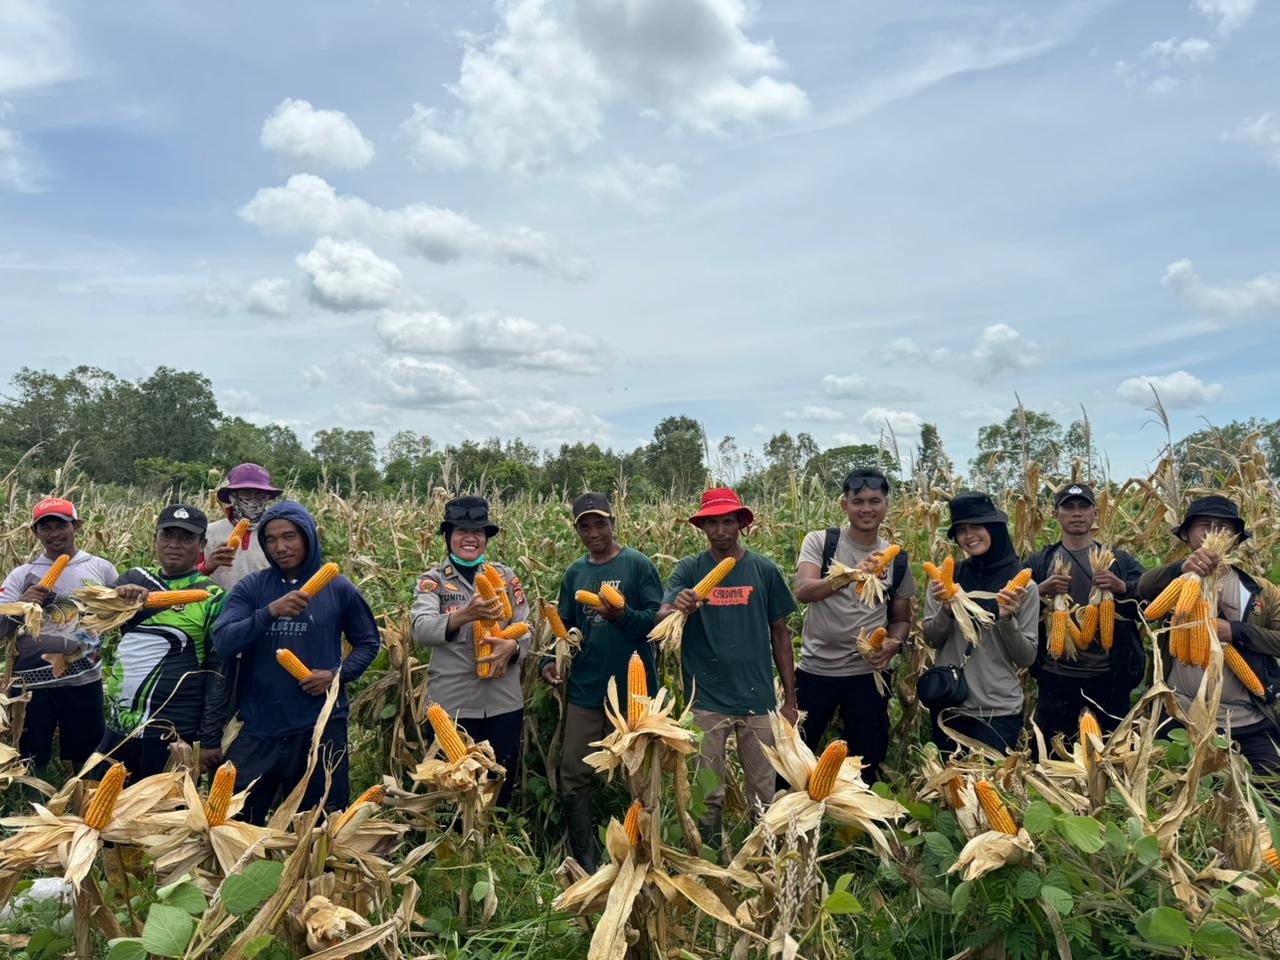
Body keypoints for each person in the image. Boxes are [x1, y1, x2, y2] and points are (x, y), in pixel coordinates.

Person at [212, 501, 380, 825]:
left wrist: (335, 676)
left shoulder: (339, 588)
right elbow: (224, 640)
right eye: (271, 540)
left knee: (318, 823)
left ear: (308, 537)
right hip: (258, 725)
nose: (280, 547)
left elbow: (368, 642)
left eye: (289, 537)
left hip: (318, 727)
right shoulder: (253, 587)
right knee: (239, 821)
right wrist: (269, 612)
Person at [657, 487, 797, 845]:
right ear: (703, 528)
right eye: (713, 523)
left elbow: (781, 636)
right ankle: (711, 860)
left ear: (741, 525)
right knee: (707, 796)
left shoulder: (763, 570)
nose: (721, 531)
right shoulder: (689, 570)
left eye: (728, 522)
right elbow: (661, 615)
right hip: (705, 699)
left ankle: (764, 862)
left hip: (757, 699)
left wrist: (790, 701)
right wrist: (679, 606)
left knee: (763, 794)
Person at [541, 492, 662, 870]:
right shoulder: (575, 573)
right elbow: (564, 628)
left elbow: (655, 623)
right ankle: (586, 857)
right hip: (587, 689)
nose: (593, 532)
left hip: (634, 690)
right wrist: (550, 660)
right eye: (585, 526)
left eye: (600, 523)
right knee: (574, 773)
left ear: (613, 522)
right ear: (576, 529)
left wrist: (619, 615)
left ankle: (640, 853)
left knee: (637, 776)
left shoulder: (637, 565)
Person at [1137, 495, 1280, 772]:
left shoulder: (1262, 591)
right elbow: (1141, 588)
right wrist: (1181, 569)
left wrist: (1235, 631)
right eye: (1204, 524)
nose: (1213, 532)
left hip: (1246, 721)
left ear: (1236, 539)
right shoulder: (1174, 581)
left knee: (1270, 794)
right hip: (1179, 715)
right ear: (1187, 536)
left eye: (1223, 527)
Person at [0, 497, 141, 773]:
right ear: (34, 532)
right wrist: (21, 607)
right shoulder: (22, 574)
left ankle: (83, 804)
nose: (53, 533)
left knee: (87, 755)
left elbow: (120, 613)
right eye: (46, 527)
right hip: (31, 687)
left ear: (77, 526)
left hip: (83, 679)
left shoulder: (100, 568)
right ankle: (31, 804)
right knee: (31, 757)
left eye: (61, 525)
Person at [793, 469, 914, 785]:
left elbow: (901, 619)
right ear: (844, 506)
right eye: (857, 501)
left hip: (868, 677)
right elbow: (803, 590)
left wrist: (894, 643)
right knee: (795, 758)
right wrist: (848, 575)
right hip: (816, 672)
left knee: (867, 762)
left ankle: (859, 829)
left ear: (886, 505)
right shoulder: (822, 542)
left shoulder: (897, 561)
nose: (866, 508)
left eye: (875, 501)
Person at [411, 496, 531, 809]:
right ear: (448, 536)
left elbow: (525, 627)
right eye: (461, 530)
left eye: (478, 532)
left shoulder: (505, 578)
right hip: (453, 706)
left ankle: (495, 843)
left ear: (485, 538)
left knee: (498, 787)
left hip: (503, 703)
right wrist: (464, 614)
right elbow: (421, 630)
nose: (470, 537)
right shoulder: (432, 582)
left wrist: (513, 646)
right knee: (452, 791)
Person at [94, 505, 226, 779]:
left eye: (186, 538)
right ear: (155, 539)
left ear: (201, 545)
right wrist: (117, 599)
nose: (174, 545)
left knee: (162, 814)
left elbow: (218, 670)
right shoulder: (134, 579)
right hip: (122, 722)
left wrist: (210, 735)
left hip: (173, 728)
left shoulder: (211, 595)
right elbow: (93, 621)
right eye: (167, 535)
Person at [1027, 483, 1146, 741]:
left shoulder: (1119, 561)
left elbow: (1150, 605)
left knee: (1113, 757)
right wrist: (1038, 591)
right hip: (1055, 679)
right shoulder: (1040, 563)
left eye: (1084, 507)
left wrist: (1123, 587)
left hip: (1109, 680)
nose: (1077, 513)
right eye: (1068, 507)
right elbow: (1012, 608)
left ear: (1095, 514)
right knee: (1052, 758)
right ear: (1055, 515)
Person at [923, 492, 1038, 754]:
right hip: (949, 705)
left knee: (991, 791)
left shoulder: (1023, 587)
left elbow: (1026, 657)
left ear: (995, 528)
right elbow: (931, 638)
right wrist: (946, 610)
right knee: (949, 790)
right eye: (962, 530)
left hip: (997, 712)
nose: (969, 535)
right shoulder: (943, 582)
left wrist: (1007, 619)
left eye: (977, 526)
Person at [200, 463, 283, 591]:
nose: (253, 498)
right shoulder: (208, 533)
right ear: (232, 497)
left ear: (268, 497)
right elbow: (189, 576)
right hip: (218, 608)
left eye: (259, 493)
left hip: (267, 608)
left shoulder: (277, 533)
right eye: (246, 492)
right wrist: (206, 567)